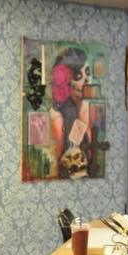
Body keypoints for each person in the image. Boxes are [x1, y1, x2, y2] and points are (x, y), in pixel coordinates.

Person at [49, 46, 93, 177]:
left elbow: (89, 156)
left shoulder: (86, 107)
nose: (87, 79)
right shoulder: (57, 115)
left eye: (88, 72)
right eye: (78, 75)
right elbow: (64, 159)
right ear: (66, 81)